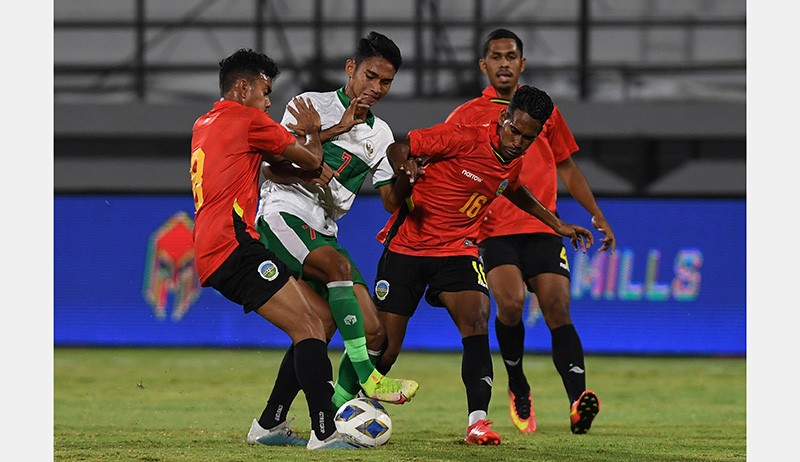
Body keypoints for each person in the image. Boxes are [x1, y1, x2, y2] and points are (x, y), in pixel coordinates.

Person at [372, 85, 594, 445]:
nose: (518, 142)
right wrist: (404, 170)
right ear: (504, 118)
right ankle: (353, 400)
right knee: (385, 346)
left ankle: (478, 422)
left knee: (477, 318)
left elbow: (512, 186)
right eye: (515, 131)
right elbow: (399, 147)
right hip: (408, 247)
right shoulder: (461, 137)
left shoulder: (512, 157)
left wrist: (556, 224)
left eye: (528, 138)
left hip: (457, 250)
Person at [246, 31, 418, 446]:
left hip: (324, 228)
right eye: (371, 76)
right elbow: (271, 166)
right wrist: (331, 138)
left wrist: (409, 179)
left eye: (386, 82)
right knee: (338, 270)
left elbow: (391, 202)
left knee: (359, 330)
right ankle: (367, 380)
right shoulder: (309, 105)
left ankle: (273, 423)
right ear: (350, 69)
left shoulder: (382, 135)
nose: (376, 88)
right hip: (284, 212)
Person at [190, 48, 365, 450]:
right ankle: (324, 433)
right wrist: (313, 130)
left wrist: (330, 131)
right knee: (308, 327)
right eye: (265, 92)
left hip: (217, 245)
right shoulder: (249, 119)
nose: (269, 102)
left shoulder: (206, 122)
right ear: (243, 87)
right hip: (234, 246)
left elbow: (276, 157)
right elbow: (310, 157)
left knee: (319, 320)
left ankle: (270, 424)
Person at [445, 28, 616, 435]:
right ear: (483, 65)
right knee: (511, 303)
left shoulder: (545, 110)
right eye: (496, 56)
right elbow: (445, 162)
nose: (504, 63)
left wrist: (596, 214)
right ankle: (518, 384)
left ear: (522, 63)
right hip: (494, 230)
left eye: (511, 56)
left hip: (543, 227)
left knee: (558, 306)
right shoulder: (467, 114)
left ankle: (578, 402)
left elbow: (567, 167)